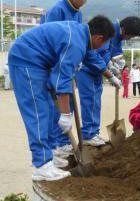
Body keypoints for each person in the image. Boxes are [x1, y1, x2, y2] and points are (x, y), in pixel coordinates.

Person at [8, 15, 119, 181]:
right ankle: (41, 166)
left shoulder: (82, 36)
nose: (101, 47)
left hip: (38, 62)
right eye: (103, 43)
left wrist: (110, 76)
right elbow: (62, 79)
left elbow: (91, 58)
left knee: (50, 110)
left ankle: (50, 154)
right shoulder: (76, 42)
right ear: (98, 38)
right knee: (39, 113)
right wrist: (67, 115)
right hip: (26, 60)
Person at [40, 0, 92, 160]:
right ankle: (56, 145)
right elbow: (48, 41)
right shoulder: (56, 11)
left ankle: (64, 142)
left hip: (67, 65)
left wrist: (75, 60)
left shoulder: (77, 14)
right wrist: (62, 66)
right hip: (52, 64)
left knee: (67, 104)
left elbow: (75, 40)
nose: (84, 2)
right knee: (56, 106)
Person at [76, 16, 140, 146]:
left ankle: (93, 133)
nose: (130, 39)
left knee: (96, 102)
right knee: (90, 101)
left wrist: (111, 64)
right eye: (131, 36)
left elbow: (109, 54)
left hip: (97, 72)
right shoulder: (109, 32)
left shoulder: (119, 35)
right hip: (86, 70)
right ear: (124, 29)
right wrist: (110, 75)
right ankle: (88, 134)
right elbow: (94, 55)